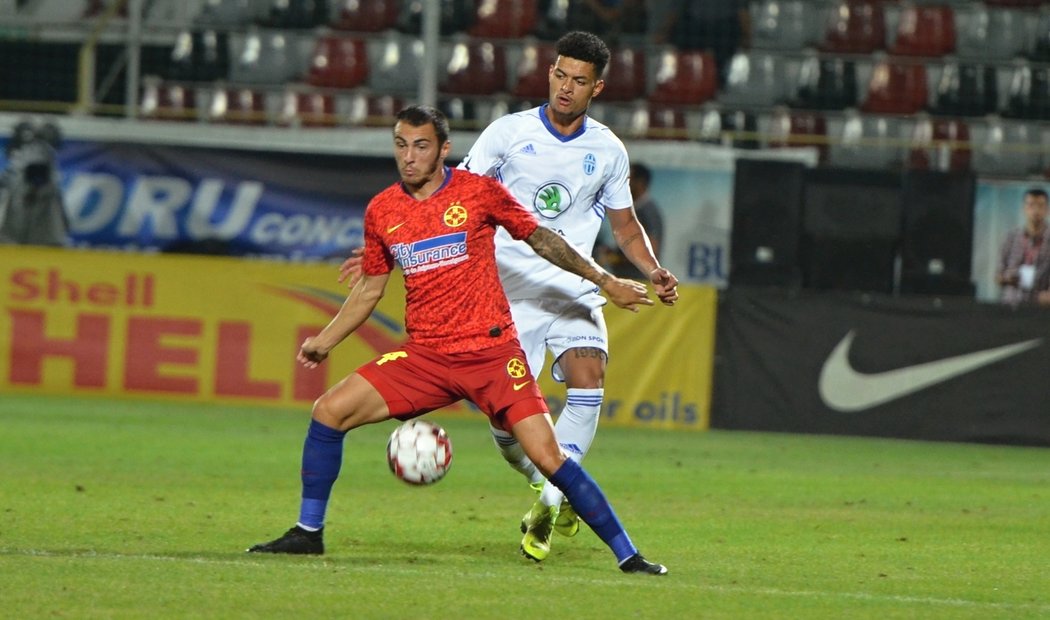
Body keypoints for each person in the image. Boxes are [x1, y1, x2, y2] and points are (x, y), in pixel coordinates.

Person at [248, 104, 668, 576]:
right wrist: (325, 340)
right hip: (425, 356)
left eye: (421, 145)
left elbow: (542, 239)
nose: (409, 157)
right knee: (328, 411)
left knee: (549, 458)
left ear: (444, 150)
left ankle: (628, 555)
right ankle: (308, 533)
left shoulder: (479, 193)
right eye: (401, 145)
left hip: (492, 354)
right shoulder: (383, 210)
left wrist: (603, 278)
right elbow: (369, 287)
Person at [342, 31, 678, 563]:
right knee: (507, 422)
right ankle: (548, 480)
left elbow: (626, 227)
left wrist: (654, 270)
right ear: (550, 73)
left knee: (589, 373)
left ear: (598, 87)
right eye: (560, 75)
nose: (566, 88)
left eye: (579, 81)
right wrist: (386, 249)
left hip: (574, 286)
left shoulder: (608, 149)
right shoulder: (508, 133)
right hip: (505, 293)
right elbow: (448, 196)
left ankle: (550, 496)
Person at [0, 119, 68, 247]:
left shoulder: (36, 150)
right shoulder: (37, 150)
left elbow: (37, 174)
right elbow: (37, 174)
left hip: (29, 209)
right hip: (31, 211)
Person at [595, 162, 664, 279]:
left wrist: (615, 258)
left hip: (638, 280)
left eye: (628, 178)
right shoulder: (632, 207)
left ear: (640, 182)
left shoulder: (648, 212)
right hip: (624, 279)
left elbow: (653, 249)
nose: (624, 182)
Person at [996, 188, 1050, 307]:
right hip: (1011, 304)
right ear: (1024, 208)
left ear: (1047, 210)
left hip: (1041, 308)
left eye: (1040, 206)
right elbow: (998, 276)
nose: (1036, 210)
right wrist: (1008, 279)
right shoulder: (1011, 238)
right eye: (1031, 205)